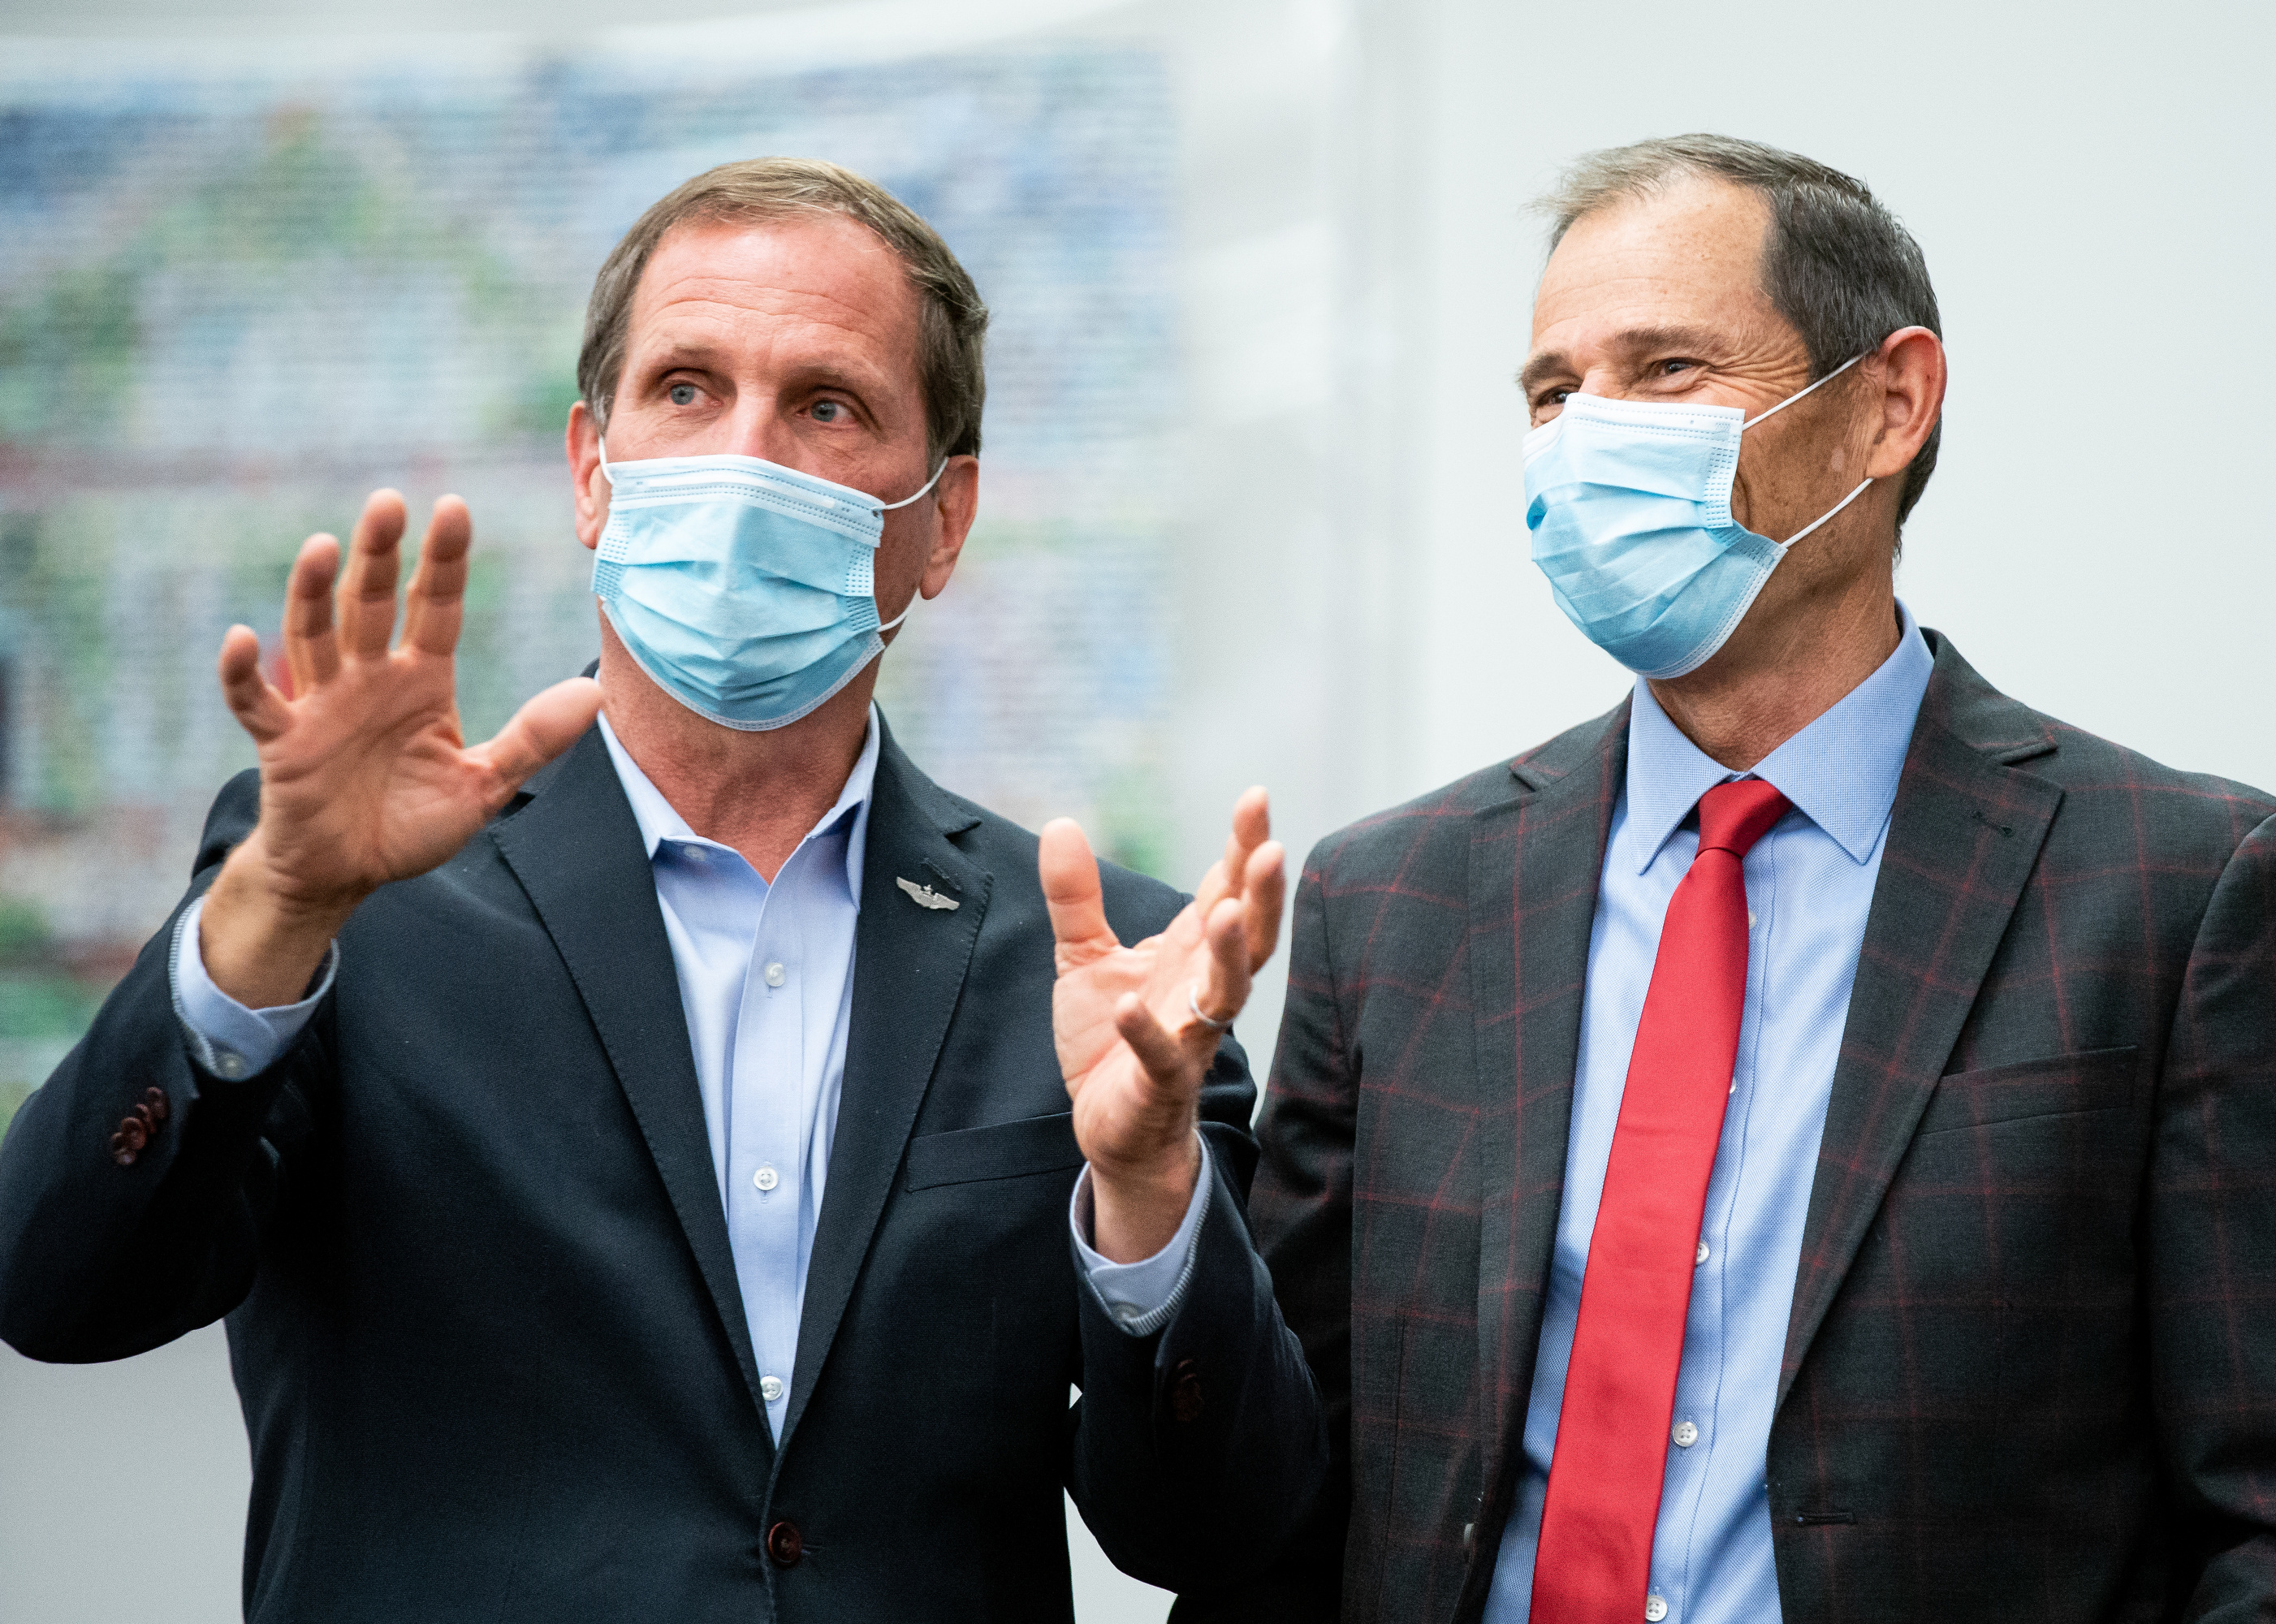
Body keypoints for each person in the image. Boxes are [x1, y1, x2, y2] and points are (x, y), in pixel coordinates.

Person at [0, 157, 1323, 1622]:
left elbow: (1222, 1532)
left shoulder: (1101, 963)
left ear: (944, 521)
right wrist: (271, 918)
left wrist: (1145, 1191)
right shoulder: (342, 899)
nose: (744, 460)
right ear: (592, 469)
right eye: (687, 389)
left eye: (827, 406)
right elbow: (59, 1291)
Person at [1203, 135, 2276, 1623]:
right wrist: (1148, 1196)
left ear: (1889, 405)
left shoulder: (2174, 892)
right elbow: (1269, 1507)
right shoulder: (1393, 902)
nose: (1587, 437)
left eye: (1666, 369)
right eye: (1553, 393)